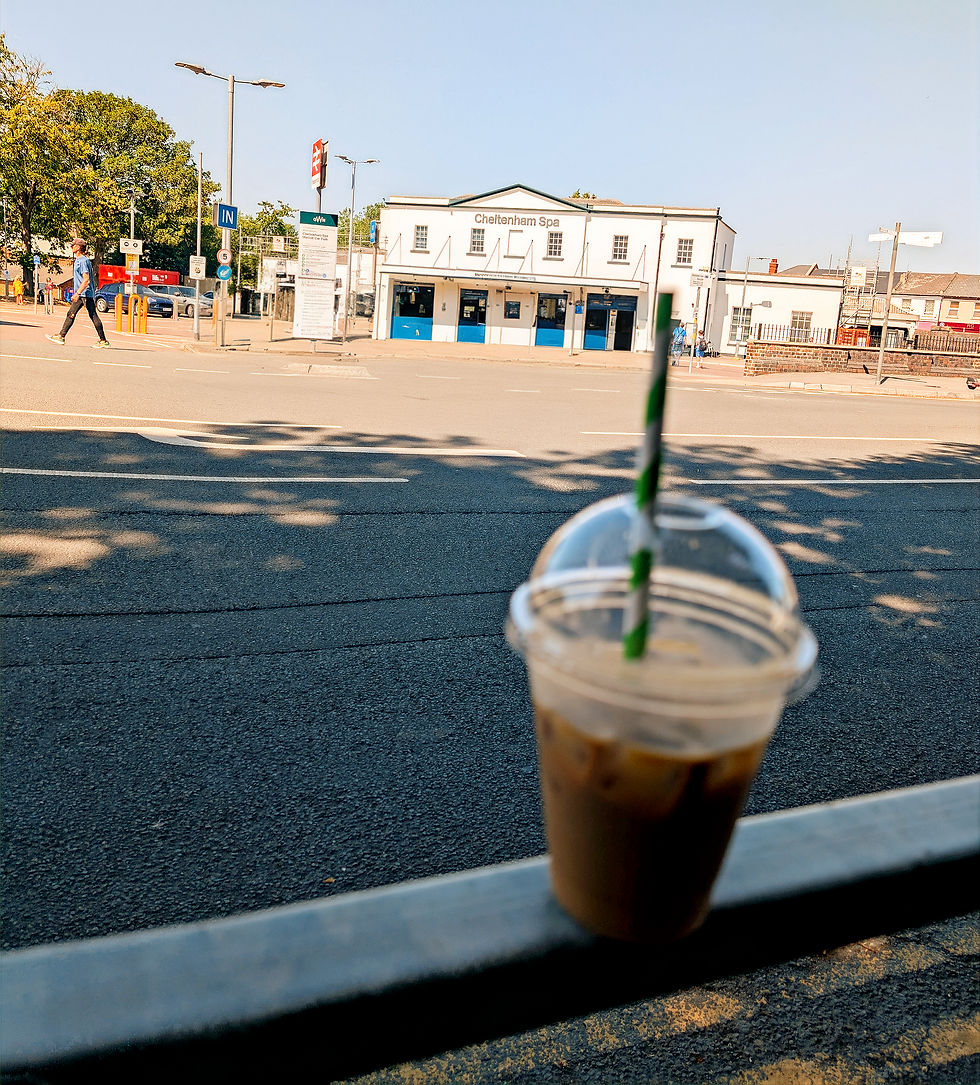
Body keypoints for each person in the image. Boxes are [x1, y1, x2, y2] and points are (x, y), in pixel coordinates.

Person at [45, 239, 109, 347]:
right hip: (83, 293)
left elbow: (86, 279)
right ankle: (61, 336)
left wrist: (77, 293)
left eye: (73, 245)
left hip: (85, 294)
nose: (71, 247)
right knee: (72, 313)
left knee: (92, 315)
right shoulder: (79, 260)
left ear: (78, 247)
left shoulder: (83, 261)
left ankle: (103, 340)